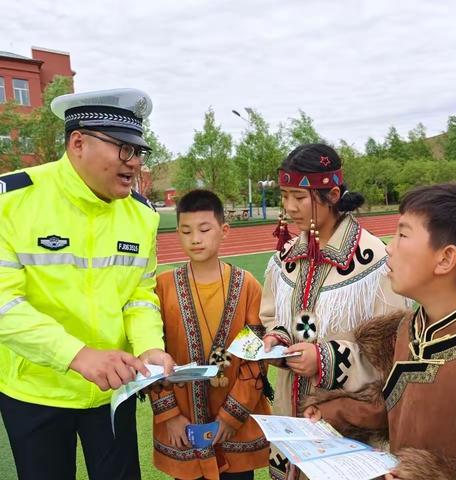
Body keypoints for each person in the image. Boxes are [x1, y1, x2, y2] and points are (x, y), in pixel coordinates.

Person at [0, 88, 174, 480]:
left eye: (140, 152)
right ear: (78, 142)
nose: (135, 163)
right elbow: (3, 304)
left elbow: (139, 295)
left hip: (113, 389)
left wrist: (150, 347)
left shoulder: (142, 215)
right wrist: (77, 355)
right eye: (123, 149)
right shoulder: (11, 201)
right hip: (35, 391)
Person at [303, 182, 456, 479]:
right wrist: (334, 413)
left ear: (446, 258)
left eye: (402, 234)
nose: (389, 246)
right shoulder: (406, 330)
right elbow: (394, 406)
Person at [259, 143, 409, 480]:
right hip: (291, 415)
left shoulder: (375, 262)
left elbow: (392, 350)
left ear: (332, 195)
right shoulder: (285, 258)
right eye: (284, 196)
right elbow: (274, 315)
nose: (289, 207)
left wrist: (326, 359)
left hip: (346, 422)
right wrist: (278, 337)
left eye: (299, 196)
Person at [149, 189, 271, 480]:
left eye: (204, 229)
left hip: (235, 430)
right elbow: (151, 355)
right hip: (183, 426)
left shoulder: (247, 286)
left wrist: (230, 417)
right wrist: (171, 417)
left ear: (224, 230)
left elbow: (254, 360)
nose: (195, 239)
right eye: (186, 231)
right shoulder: (163, 287)